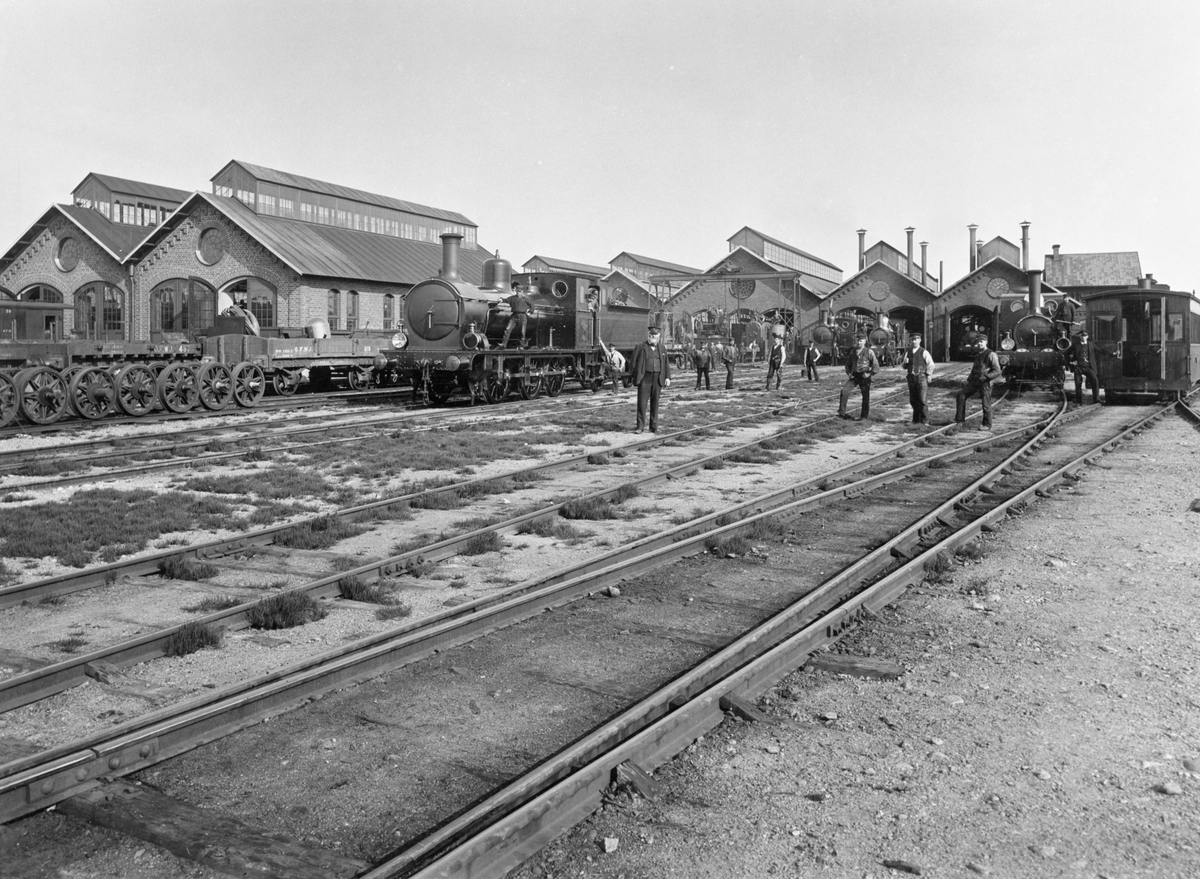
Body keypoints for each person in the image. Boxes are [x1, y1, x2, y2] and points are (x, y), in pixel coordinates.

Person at [629, 326, 671, 433]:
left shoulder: (662, 348)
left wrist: (667, 377)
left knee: (655, 403)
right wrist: (634, 376)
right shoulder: (640, 347)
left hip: (658, 378)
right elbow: (633, 363)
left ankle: (654, 426)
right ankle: (640, 427)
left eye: (656, 335)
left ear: (659, 337)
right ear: (648, 335)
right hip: (644, 378)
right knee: (642, 403)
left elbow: (666, 364)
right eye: (652, 335)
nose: (654, 337)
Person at [955, 335, 1002, 429]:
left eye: (981, 342)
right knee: (961, 395)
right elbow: (974, 369)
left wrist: (986, 377)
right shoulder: (978, 354)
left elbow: (997, 371)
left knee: (986, 404)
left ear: (986, 342)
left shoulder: (991, 354)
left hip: (985, 383)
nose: (979, 344)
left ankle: (987, 425)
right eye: (978, 342)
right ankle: (959, 420)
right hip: (975, 381)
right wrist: (969, 380)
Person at [838, 334, 879, 420]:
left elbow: (876, 366)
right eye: (857, 341)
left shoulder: (869, 352)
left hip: (864, 376)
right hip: (854, 376)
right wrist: (849, 373)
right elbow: (847, 364)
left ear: (864, 341)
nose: (858, 342)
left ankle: (864, 416)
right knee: (844, 391)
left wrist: (869, 374)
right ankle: (841, 414)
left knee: (865, 396)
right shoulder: (853, 352)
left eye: (860, 341)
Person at [902, 333, 935, 424]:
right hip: (911, 379)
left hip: (921, 378)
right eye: (912, 340)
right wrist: (905, 363)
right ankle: (916, 420)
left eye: (915, 339)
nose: (914, 341)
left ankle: (925, 421)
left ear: (920, 340)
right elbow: (904, 366)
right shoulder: (908, 353)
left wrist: (929, 375)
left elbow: (931, 364)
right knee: (913, 400)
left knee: (922, 400)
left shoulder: (924, 352)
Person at [1066, 329, 1100, 405]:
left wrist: (1112, 353)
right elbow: (1066, 353)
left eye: (1085, 336)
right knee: (1078, 384)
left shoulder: (1091, 344)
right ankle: (1079, 401)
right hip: (1078, 367)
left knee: (1095, 380)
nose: (1083, 337)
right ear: (1080, 337)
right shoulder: (1076, 345)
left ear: (1087, 336)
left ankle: (1096, 399)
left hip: (1088, 367)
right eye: (1082, 336)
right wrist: (1070, 362)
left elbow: (1100, 350)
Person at [500, 283, 533, 348]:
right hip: (514, 316)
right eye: (517, 291)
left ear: (522, 292)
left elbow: (532, 305)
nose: (518, 293)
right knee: (507, 330)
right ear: (516, 291)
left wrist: (530, 312)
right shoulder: (512, 298)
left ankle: (521, 346)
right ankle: (503, 344)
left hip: (523, 316)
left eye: (519, 292)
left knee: (522, 332)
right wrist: (501, 299)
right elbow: (505, 300)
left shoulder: (525, 299)